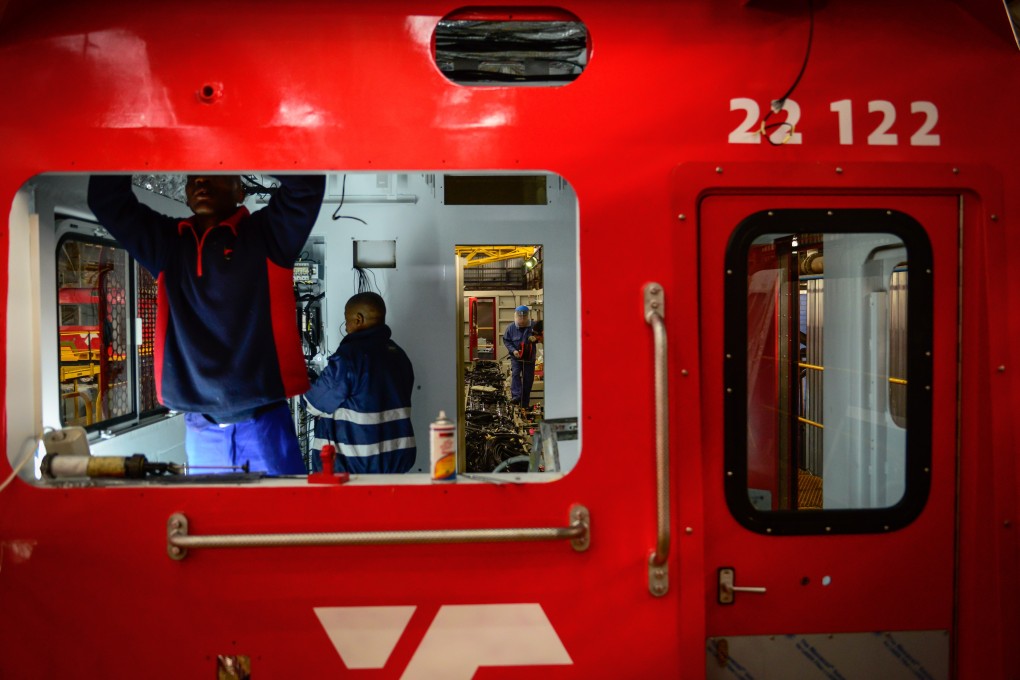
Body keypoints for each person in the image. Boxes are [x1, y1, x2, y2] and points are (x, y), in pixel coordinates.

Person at [87, 174, 326, 475]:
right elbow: (106, 201)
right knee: (211, 521)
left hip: (264, 426)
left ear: (240, 191)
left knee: (280, 520)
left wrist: (238, 138)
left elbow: (308, 185)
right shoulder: (169, 244)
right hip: (202, 430)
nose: (201, 180)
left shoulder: (269, 236)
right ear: (186, 195)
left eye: (216, 173)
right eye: (192, 177)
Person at [303, 292, 416, 473]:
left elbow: (314, 404)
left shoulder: (348, 358)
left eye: (346, 321)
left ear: (358, 319)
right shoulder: (399, 355)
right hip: (396, 466)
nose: (346, 328)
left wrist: (305, 381)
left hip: (355, 470)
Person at [502, 305, 540, 410]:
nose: (522, 320)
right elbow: (506, 340)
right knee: (515, 374)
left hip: (529, 358)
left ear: (528, 316)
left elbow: (541, 335)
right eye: (520, 317)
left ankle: (524, 404)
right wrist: (513, 351)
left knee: (528, 380)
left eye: (524, 317)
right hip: (516, 357)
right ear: (516, 316)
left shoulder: (533, 326)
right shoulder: (511, 328)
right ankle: (516, 397)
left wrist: (536, 339)